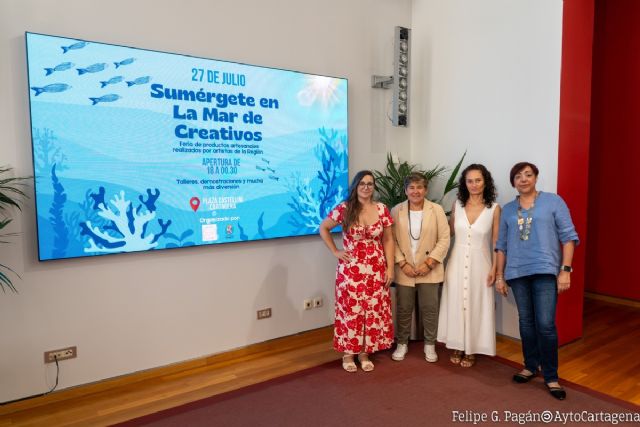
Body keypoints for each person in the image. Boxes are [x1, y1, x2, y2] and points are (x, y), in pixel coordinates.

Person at [495, 162, 578, 400]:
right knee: (527, 323)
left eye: (528, 175)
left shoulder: (553, 202)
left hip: (545, 271)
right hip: (517, 273)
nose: (523, 179)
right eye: (518, 176)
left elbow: (569, 237)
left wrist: (565, 270)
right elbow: (501, 246)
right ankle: (531, 366)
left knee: (546, 325)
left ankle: (551, 376)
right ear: (513, 182)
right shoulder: (509, 209)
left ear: (536, 177)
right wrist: (500, 276)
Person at [319, 170, 395, 373]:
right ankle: (348, 353)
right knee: (350, 311)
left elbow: (388, 239)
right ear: (355, 186)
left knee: (372, 311)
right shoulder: (345, 208)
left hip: (377, 269)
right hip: (351, 271)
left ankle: (364, 352)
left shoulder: (381, 209)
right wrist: (336, 251)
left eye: (370, 184)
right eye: (362, 183)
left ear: (374, 187)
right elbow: (324, 228)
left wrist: (390, 268)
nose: (366, 187)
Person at [437, 164, 501, 368]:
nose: (474, 185)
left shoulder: (494, 209)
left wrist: (495, 269)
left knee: (476, 303)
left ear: (485, 182)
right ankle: (457, 343)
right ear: (465, 184)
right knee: (456, 302)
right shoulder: (458, 205)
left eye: (478, 180)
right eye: (470, 181)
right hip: (456, 262)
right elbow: (449, 233)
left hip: (481, 263)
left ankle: (472, 347)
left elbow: (496, 243)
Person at [390, 172, 450, 362]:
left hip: (429, 269)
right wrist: (402, 262)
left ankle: (430, 344)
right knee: (404, 308)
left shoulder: (437, 210)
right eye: (412, 187)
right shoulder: (396, 210)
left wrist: (430, 263)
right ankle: (402, 343)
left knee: (430, 308)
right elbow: (391, 240)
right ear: (406, 190)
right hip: (404, 269)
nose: (416, 191)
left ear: (426, 190)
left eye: (420, 187)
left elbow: (444, 238)